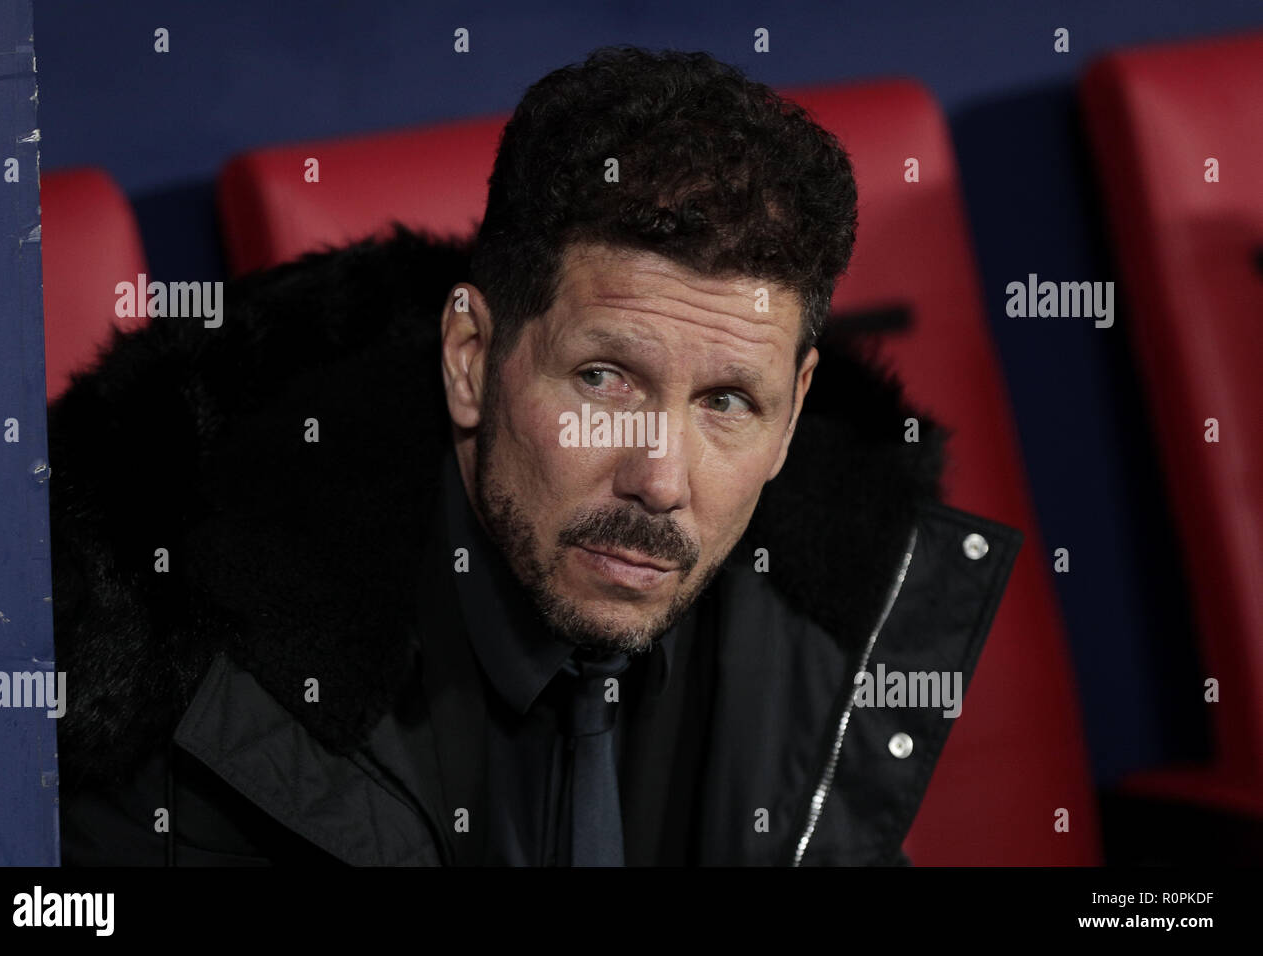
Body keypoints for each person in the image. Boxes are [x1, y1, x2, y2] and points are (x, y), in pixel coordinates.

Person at [51, 46, 1022, 866]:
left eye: (727, 402)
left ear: (795, 407)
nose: (660, 480)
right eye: (603, 379)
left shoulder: (819, 626)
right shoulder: (188, 685)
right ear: (471, 359)